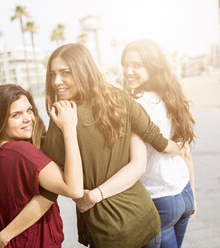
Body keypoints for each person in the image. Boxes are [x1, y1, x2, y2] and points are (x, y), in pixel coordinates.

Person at [43, 43, 183, 248]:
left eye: (65, 73)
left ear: (83, 71)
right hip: (145, 219)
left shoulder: (63, 116)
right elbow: (157, 141)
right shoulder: (121, 99)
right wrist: (180, 148)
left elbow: (52, 178)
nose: (56, 82)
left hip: (109, 232)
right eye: (52, 74)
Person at [0, 84, 83, 248]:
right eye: (16, 115)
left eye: (29, 110)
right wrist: (69, 129)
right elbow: (74, 188)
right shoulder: (21, 151)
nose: (28, 118)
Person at [121, 39, 197, 248]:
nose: (128, 71)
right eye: (125, 64)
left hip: (158, 200)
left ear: (152, 67)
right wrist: (192, 191)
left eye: (136, 65)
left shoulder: (136, 104)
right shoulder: (172, 98)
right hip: (183, 193)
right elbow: (186, 151)